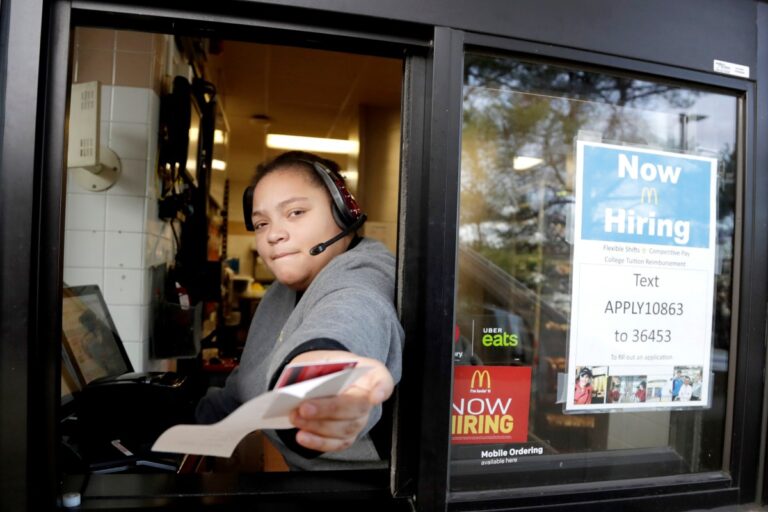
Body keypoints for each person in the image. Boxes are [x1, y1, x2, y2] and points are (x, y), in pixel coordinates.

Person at [195, 151, 404, 471]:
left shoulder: (363, 277)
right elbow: (241, 392)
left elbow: (348, 318)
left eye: (295, 212)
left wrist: (320, 386)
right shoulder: (280, 294)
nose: (273, 234)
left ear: (344, 212)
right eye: (261, 223)